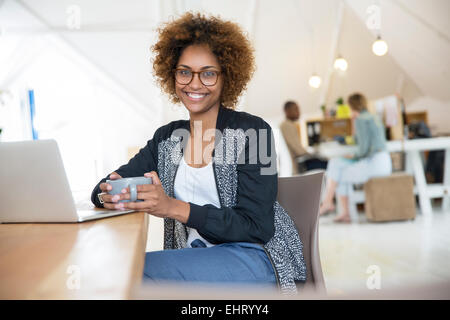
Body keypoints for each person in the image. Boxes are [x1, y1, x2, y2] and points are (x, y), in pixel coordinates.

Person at [90, 13, 306, 294]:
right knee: (122, 268)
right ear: (172, 75)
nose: (194, 83)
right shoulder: (167, 139)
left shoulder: (255, 132)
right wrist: (110, 192)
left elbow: (257, 227)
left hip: (257, 256)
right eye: (184, 71)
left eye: (208, 73)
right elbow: (103, 187)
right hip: (197, 254)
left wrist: (171, 207)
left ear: (226, 76)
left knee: (135, 273)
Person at [319, 93, 392, 223]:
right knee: (337, 169)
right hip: (385, 162)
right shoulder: (372, 117)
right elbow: (360, 140)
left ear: (351, 105)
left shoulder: (361, 120)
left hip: (374, 164)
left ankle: (329, 203)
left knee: (336, 167)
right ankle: (340, 210)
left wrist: (352, 157)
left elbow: (363, 150)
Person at [280, 101, 327, 175]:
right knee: (329, 163)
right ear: (287, 111)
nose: (299, 112)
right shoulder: (287, 126)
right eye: (296, 109)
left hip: (300, 162)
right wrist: (313, 153)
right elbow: (299, 150)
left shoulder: (287, 125)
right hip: (300, 165)